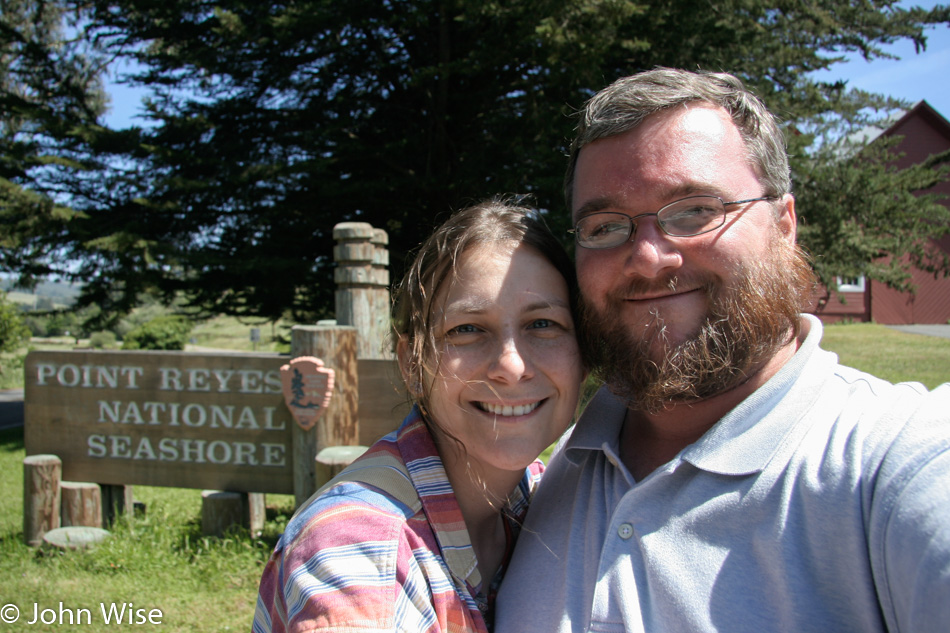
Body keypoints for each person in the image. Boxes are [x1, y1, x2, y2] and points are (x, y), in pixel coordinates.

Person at [495, 68, 950, 632]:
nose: (649, 257)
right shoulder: (553, 462)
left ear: (784, 226)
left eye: (694, 211)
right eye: (607, 226)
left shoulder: (896, 462)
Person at [253, 197, 585, 633]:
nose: (511, 366)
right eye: (466, 329)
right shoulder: (359, 550)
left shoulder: (545, 492)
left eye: (543, 324)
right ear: (411, 363)